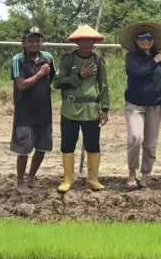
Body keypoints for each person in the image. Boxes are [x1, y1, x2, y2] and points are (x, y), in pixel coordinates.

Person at [53, 25, 109, 193]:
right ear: (77, 42)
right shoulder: (67, 60)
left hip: (91, 110)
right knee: (68, 143)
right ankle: (68, 179)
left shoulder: (98, 60)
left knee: (93, 144)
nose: (87, 43)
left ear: (94, 42)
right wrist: (79, 76)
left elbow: (104, 85)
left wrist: (104, 108)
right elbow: (57, 83)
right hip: (70, 109)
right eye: (83, 40)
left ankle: (93, 179)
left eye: (90, 40)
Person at [119, 21, 161, 190]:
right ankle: (132, 173)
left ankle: (144, 176)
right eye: (141, 37)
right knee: (136, 138)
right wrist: (153, 62)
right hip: (134, 104)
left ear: (153, 40)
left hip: (155, 106)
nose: (145, 40)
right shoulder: (131, 57)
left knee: (150, 144)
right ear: (135, 40)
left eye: (149, 37)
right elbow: (136, 73)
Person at [10, 27, 56, 194]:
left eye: (37, 40)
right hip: (25, 113)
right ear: (24, 42)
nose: (34, 43)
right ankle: (20, 180)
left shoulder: (48, 58)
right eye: (30, 40)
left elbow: (51, 79)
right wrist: (39, 74)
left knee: (42, 147)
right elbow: (21, 85)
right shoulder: (18, 60)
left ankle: (31, 178)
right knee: (24, 149)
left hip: (44, 111)